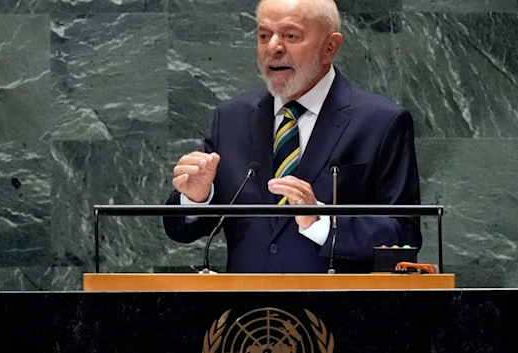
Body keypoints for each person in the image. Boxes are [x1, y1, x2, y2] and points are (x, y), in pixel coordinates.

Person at [163, 0, 422, 273]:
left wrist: (320, 219)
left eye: (290, 36)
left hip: (339, 310)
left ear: (330, 47)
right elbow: (183, 230)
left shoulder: (381, 121)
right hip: (246, 312)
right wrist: (195, 199)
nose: (273, 47)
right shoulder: (231, 119)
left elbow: (403, 234)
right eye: (264, 35)